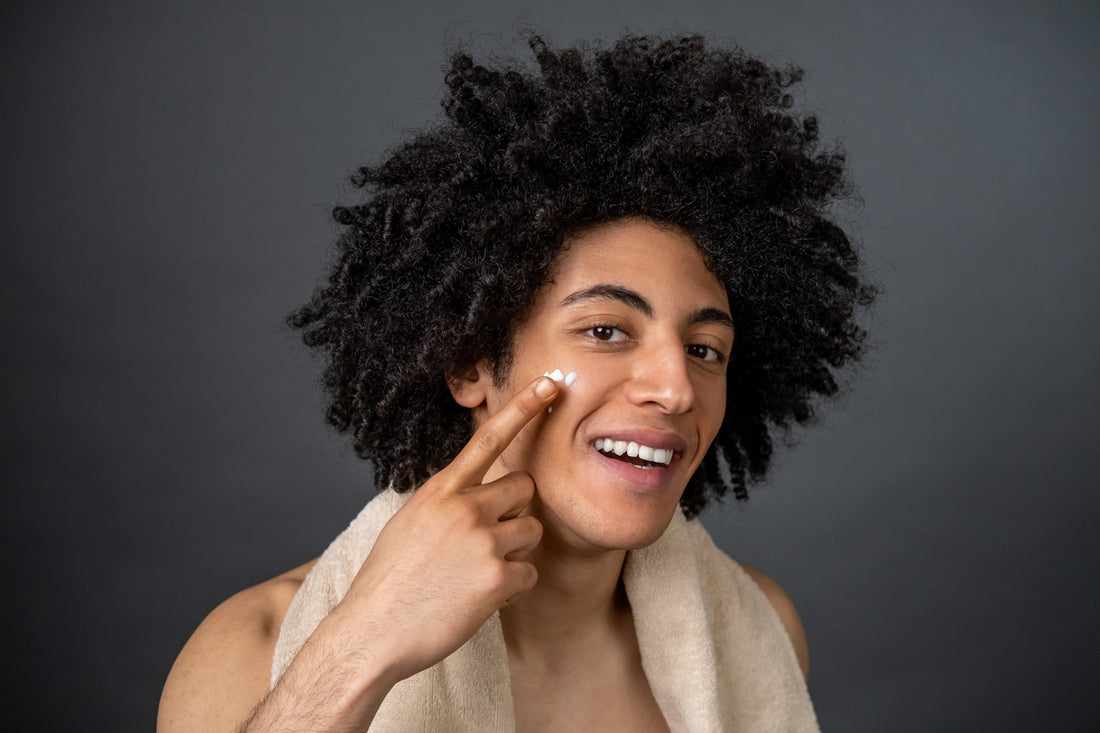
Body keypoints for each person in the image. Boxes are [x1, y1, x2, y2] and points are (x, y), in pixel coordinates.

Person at [158, 33, 873, 732]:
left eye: (705, 348)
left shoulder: (758, 629)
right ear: (471, 364)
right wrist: (361, 647)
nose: (676, 386)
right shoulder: (254, 649)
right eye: (605, 330)